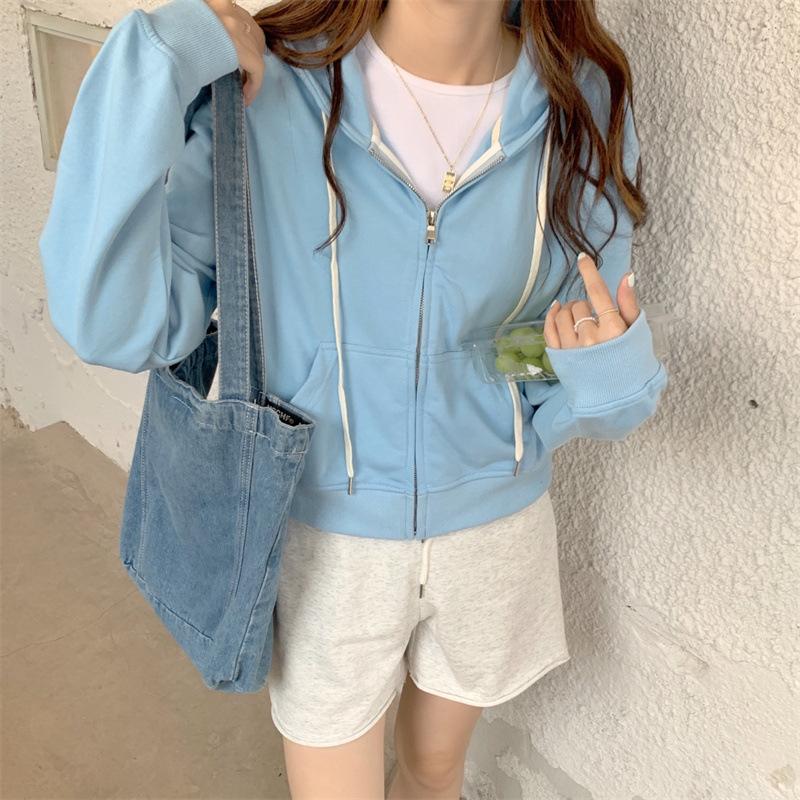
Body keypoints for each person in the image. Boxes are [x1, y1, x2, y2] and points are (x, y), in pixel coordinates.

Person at [38, 0, 668, 796]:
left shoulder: (581, 98)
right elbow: (116, 326)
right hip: (327, 540)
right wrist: (160, 59)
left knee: (435, 771)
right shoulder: (272, 86)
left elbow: (561, 340)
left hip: (494, 535)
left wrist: (607, 377)